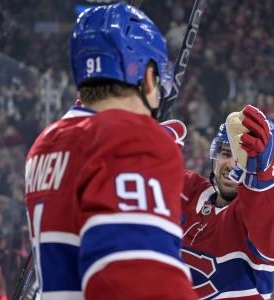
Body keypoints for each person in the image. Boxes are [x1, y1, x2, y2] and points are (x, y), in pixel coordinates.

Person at [23, 4, 196, 299]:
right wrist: (141, 146)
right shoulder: (131, 139)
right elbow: (140, 283)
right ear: (148, 75)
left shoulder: (46, 144)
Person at [179, 104, 274, 299]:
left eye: (240, 157)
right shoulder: (193, 192)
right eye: (226, 154)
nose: (231, 164)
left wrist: (263, 185)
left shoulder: (251, 213)